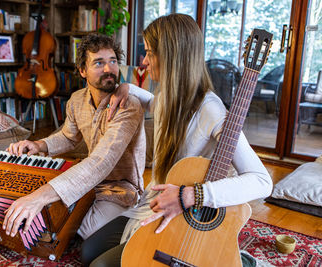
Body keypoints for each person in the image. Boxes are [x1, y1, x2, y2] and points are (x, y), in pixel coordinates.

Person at [81, 14, 273, 267]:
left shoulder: (211, 110)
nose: (144, 61)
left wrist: (191, 195)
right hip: (154, 203)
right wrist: (129, 88)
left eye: (150, 53)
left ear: (172, 57)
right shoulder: (168, 98)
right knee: (87, 251)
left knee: (100, 266)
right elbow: (153, 102)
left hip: (185, 209)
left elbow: (262, 181)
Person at [2, 34, 146, 241]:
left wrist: (38, 198)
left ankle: (133, 218)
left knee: (82, 229)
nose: (108, 69)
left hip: (120, 189)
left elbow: (102, 161)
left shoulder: (128, 105)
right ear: (82, 70)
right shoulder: (77, 99)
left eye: (112, 61)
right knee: (46, 211)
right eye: (99, 63)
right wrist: (38, 144)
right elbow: (68, 137)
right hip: (88, 183)